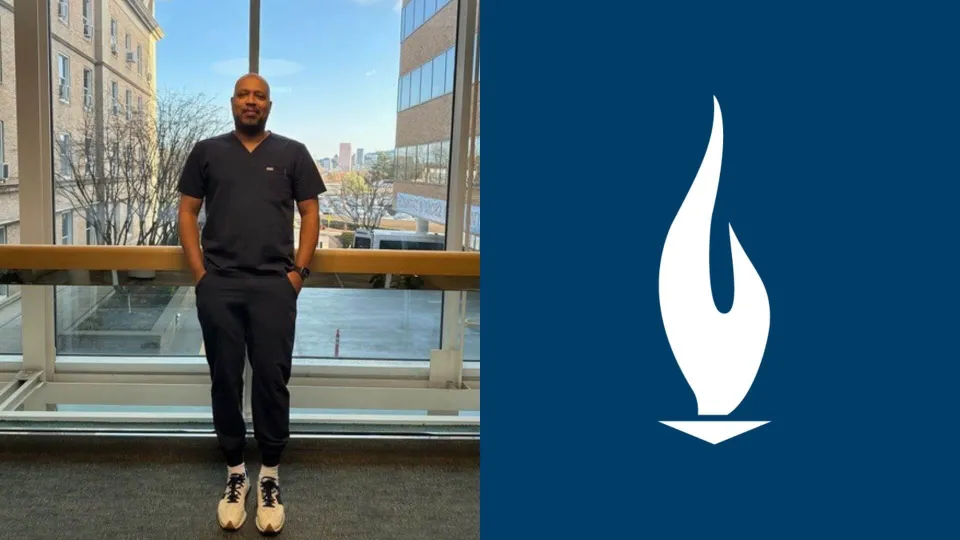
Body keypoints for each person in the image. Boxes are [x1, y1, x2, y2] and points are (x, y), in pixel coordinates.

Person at [177, 73, 326, 534]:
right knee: (224, 378)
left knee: (271, 380)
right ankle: (235, 474)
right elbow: (186, 211)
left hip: (273, 287)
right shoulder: (207, 151)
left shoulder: (292, 153)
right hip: (219, 284)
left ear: (269, 105)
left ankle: (270, 478)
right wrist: (201, 276)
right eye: (244, 94)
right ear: (232, 102)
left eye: (259, 96)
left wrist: (297, 275)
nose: (251, 101)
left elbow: (310, 213)